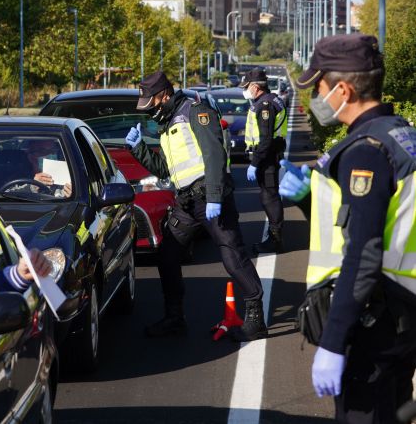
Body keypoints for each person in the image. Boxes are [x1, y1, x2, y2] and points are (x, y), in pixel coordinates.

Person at [279, 33, 416, 423]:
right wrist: (309, 199)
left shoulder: (365, 152)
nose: (315, 97)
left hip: (375, 318)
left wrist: (334, 341)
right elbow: (379, 220)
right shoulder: (401, 136)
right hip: (402, 310)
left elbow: (364, 250)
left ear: (343, 89)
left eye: (318, 87)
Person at [126, 70, 266, 341]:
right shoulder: (167, 125)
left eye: (151, 103)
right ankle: (175, 318)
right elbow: (166, 169)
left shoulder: (195, 112)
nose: (150, 110)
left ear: (164, 95)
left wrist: (214, 196)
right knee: (167, 255)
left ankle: (255, 317)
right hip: (186, 202)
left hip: (211, 198)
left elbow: (215, 153)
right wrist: (139, 148)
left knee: (232, 257)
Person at [240, 67, 288, 253]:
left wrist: (254, 163)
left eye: (247, 86)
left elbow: (266, 138)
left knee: (270, 198)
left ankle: (275, 240)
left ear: (255, 87)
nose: (245, 90)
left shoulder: (265, 105)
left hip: (266, 158)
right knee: (269, 197)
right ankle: (274, 237)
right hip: (269, 156)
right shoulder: (271, 99)